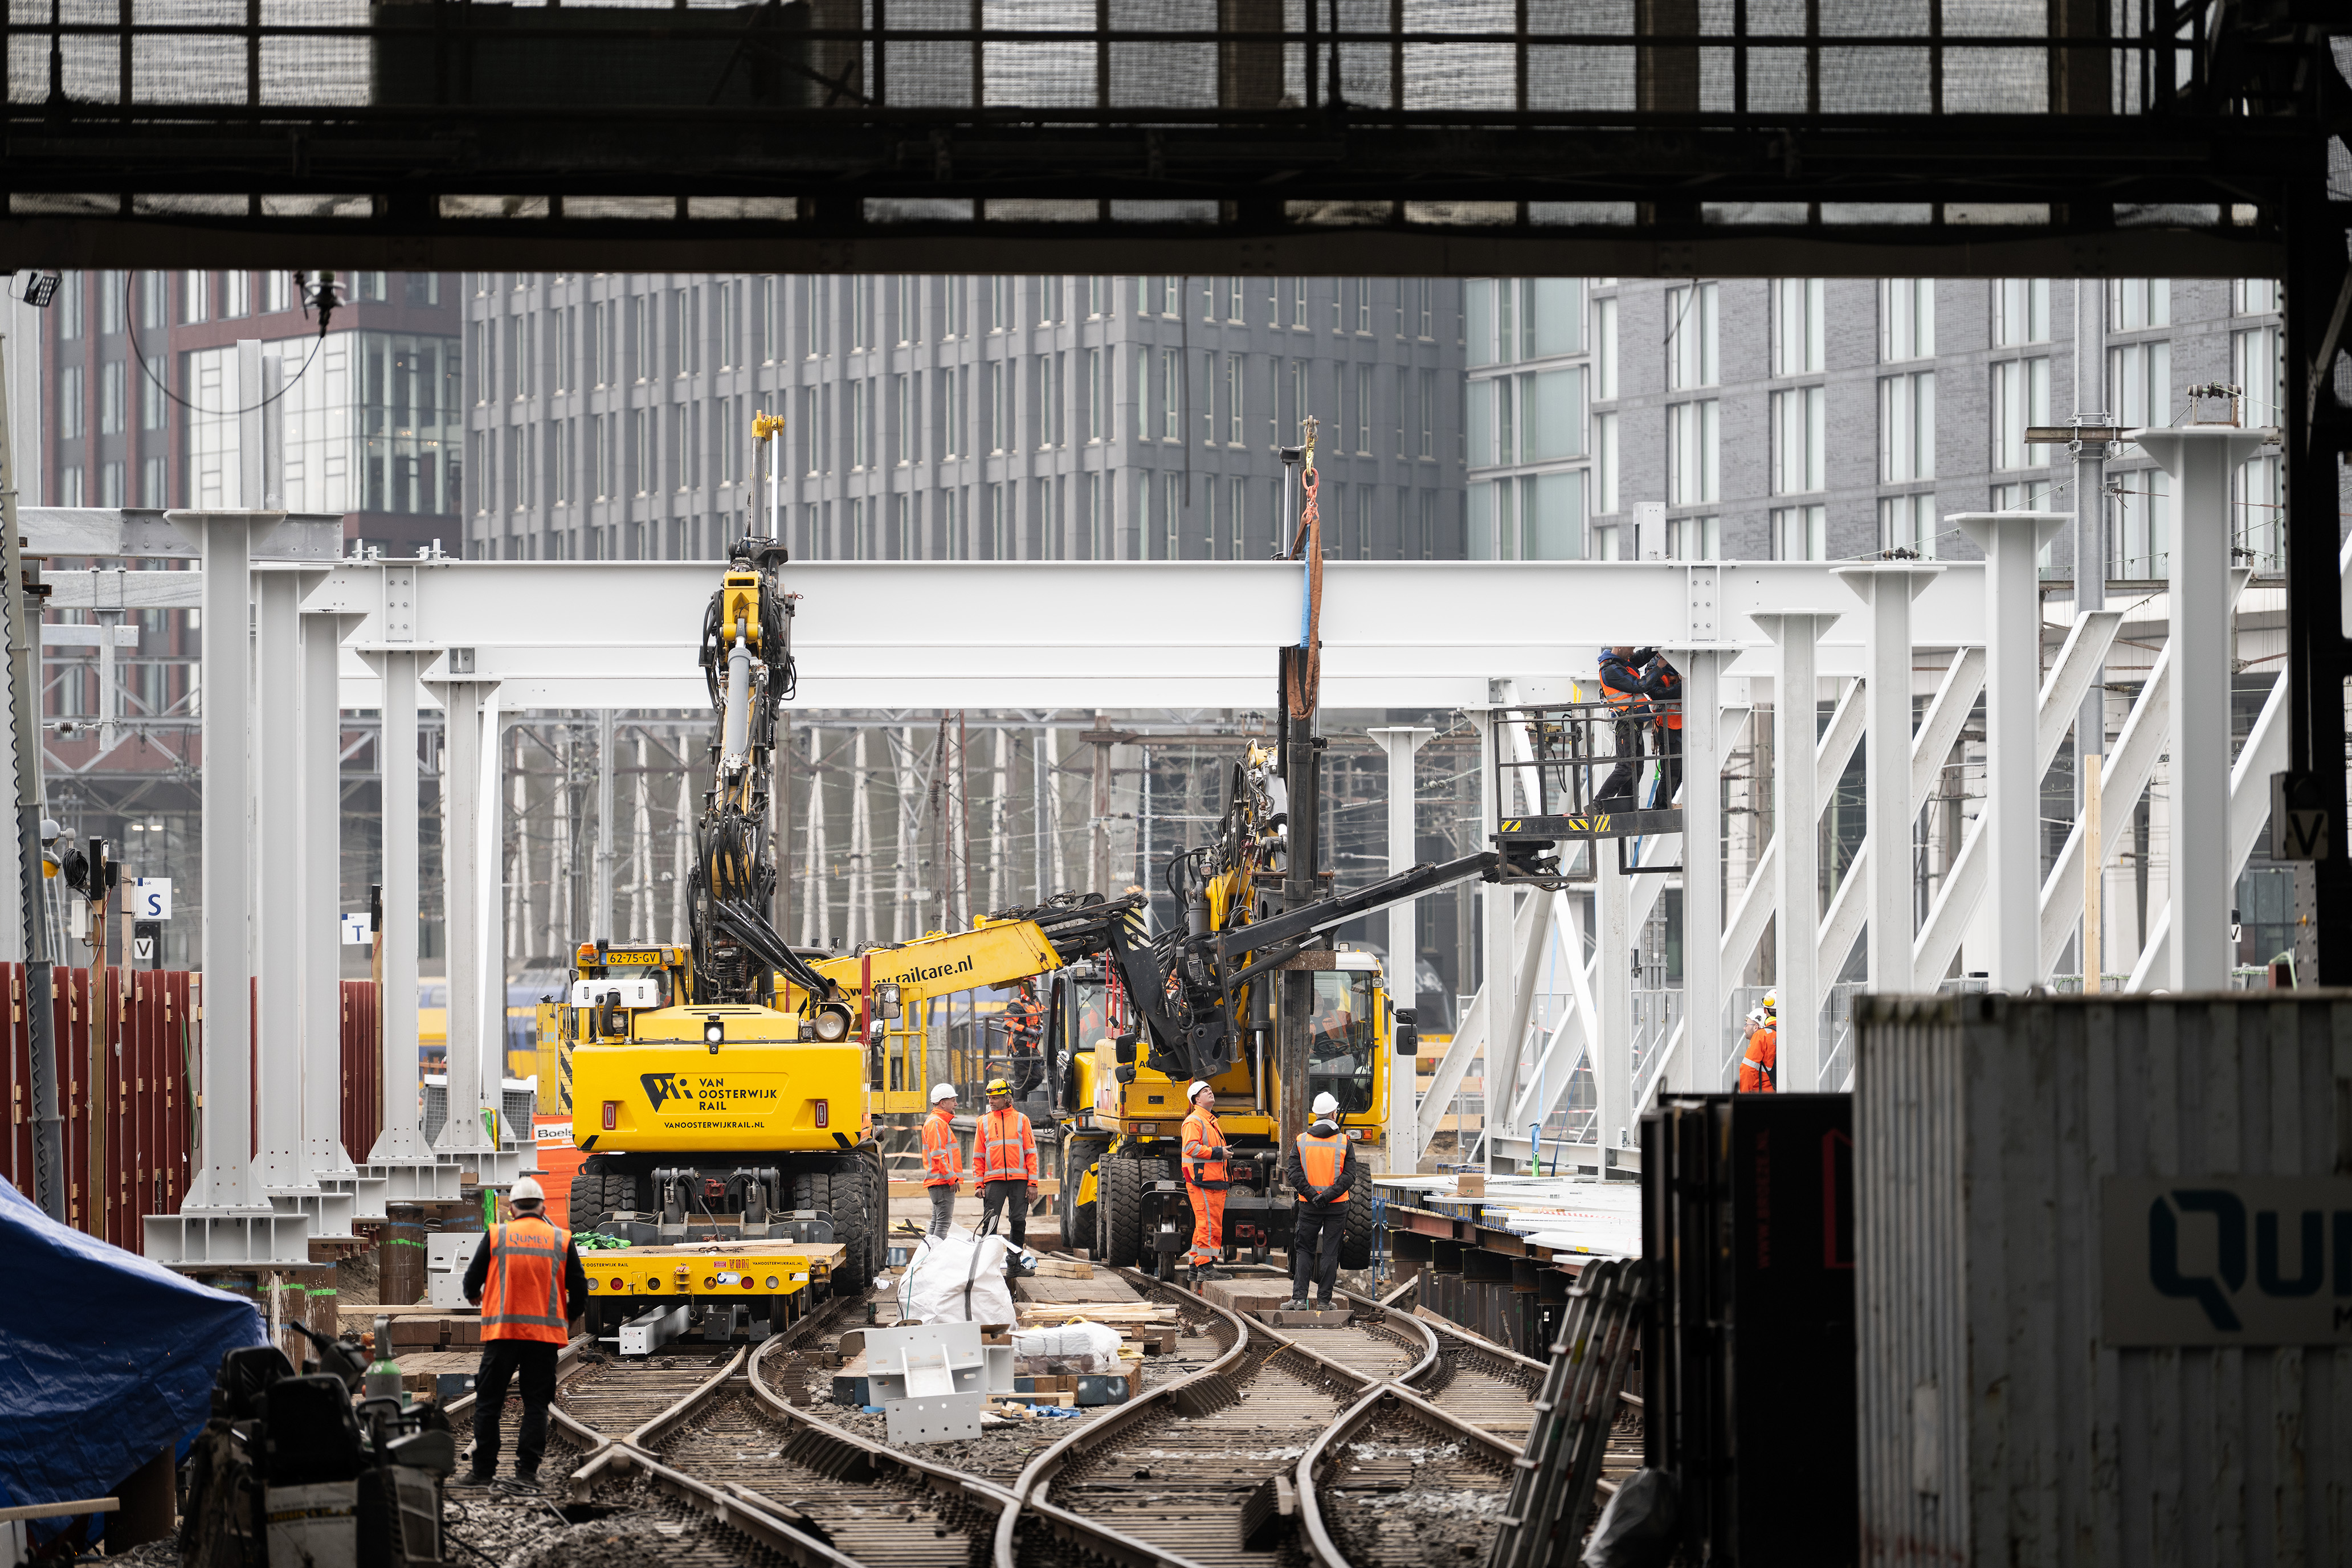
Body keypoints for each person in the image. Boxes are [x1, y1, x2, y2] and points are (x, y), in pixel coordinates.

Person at [460, 1177, 587, 1487]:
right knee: (536, 1405)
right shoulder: (560, 1239)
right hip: (543, 1340)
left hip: (502, 1334)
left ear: (513, 1208)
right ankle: (526, 1473)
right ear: (542, 1206)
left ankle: (482, 1472)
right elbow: (580, 1290)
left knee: (489, 1403)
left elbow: (471, 1280)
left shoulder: (497, 1236)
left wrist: (474, 1293)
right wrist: (566, 1319)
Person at [1283, 1091, 1357, 1311]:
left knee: (1304, 1250)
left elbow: (1294, 1174)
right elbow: (1349, 1176)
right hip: (1337, 1206)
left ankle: (1298, 1300)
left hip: (1309, 1206)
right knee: (1331, 1251)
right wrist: (1328, 1196)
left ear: (1315, 1114)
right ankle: (1324, 1301)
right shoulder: (1344, 1142)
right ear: (1334, 1113)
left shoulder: (1301, 1141)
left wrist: (1313, 1196)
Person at [974, 1077, 1039, 1276]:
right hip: (994, 1181)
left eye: (995, 1098)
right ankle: (986, 1267)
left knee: (1018, 1222)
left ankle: (1014, 1264)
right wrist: (979, 1183)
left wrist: (1033, 1183)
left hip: (1020, 1181)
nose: (991, 1101)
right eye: (990, 1098)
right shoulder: (983, 1122)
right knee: (990, 1223)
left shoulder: (1021, 1120)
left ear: (1006, 1098)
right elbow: (978, 1155)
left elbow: (1031, 1153)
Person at [1179, 1080, 1232, 1283]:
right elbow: (1191, 1147)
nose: (1210, 1092)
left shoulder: (1210, 1121)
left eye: (1210, 1089)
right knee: (1208, 1224)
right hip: (1202, 1180)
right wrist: (1219, 1152)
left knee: (1207, 1223)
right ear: (1196, 1099)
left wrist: (1222, 1153)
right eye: (1205, 1091)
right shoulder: (1195, 1121)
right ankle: (1206, 1267)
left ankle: (1195, 1265)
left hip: (1211, 1181)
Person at [1595, 646, 1653, 805]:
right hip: (1625, 724)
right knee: (1626, 767)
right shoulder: (1611, 670)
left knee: (1636, 769)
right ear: (1620, 647)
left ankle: (1623, 807)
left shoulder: (1621, 663)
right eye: (1631, 649)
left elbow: (1640, 657)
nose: (1633, 653)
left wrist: (1656, 649)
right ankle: (1597, 805)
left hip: (1633, 724)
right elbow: (1639, 685)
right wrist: (1659, 669)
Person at [1634, 647, 1684, 805]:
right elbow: (1656, 693)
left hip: (1681, 725)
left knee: (1680, 772)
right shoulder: (1656, 667)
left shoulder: (1679, 667)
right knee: (1672, 772)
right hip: (1667, 726)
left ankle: (1664, 804)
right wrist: (1683, 686)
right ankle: (1661, 806)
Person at [921, 1082, 962, 1238]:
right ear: (943, 1103)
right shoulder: (937, 1123)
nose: (956, 1104)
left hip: (940, 1181)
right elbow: (938, 1154)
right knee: (943, 1225)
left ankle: (929, 1255)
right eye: (953, 1100)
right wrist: (951, 1177)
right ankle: (935, 1258)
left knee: (936, 1223)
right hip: (942, 1181)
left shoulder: (937, 1122)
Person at [1738, 993, 1778, 1093]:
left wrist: (1744, 1098)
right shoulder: (1791, 1034)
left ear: (1765, 1010)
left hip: (1763, 1097)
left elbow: (1747, 1070)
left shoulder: (1763, 1036)